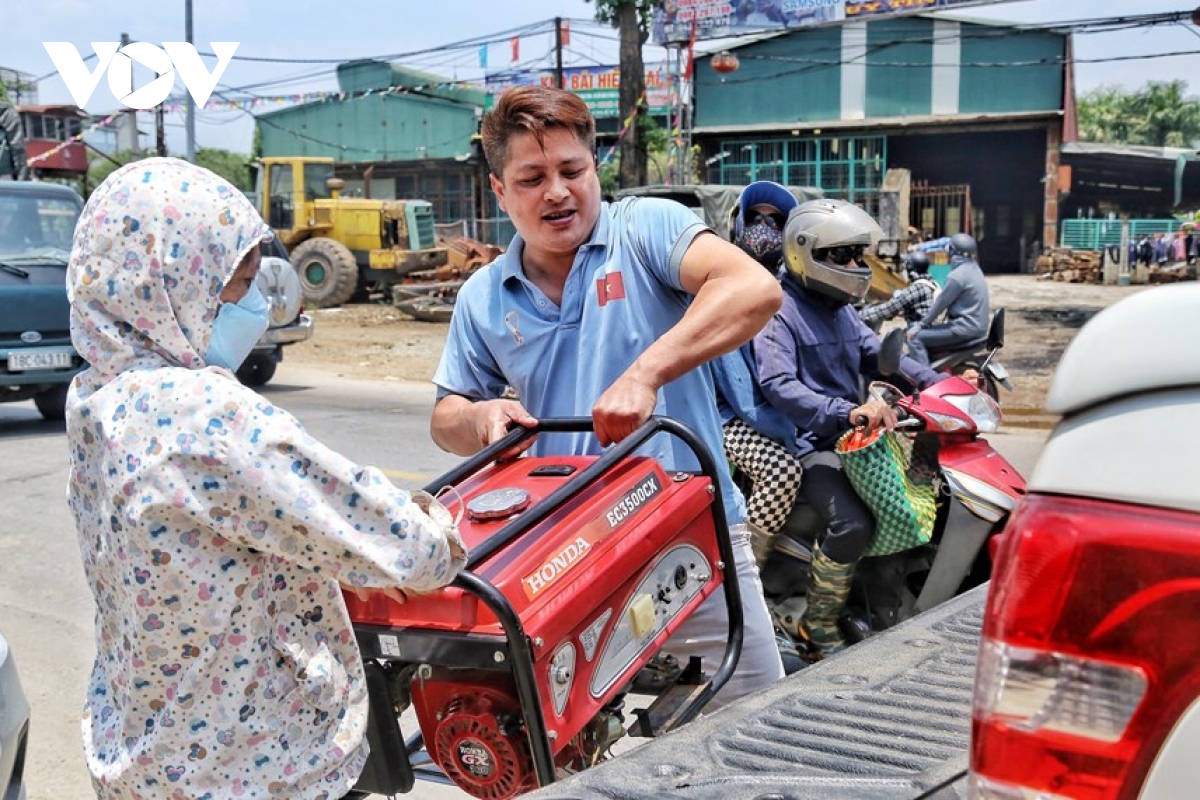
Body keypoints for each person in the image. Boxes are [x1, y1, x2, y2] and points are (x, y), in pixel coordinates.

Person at [65, 158, 466, 799]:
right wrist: (441, 529)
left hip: (140, 753)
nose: (255, 304)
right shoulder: (201, 415)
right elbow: (402, 547)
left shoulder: (96, 398)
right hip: (251, 768)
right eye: (239, 283)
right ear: (173, 284)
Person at [430, 85, 786, 706]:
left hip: (689, 529)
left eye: (572, 170)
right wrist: (483, 416)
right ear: (499, 190)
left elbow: (752, 288)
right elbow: (446, 417)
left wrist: (645, 373)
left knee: (757, 717)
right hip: (563, 547)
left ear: (595, 169)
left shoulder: (647, 229)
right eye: (532, 177)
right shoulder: (482, 297)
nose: (558, 192)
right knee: (560, 739)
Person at [754, 198, 941, 658]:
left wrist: (947, 385)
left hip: (857, 440)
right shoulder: (778, 310)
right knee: (852, 522)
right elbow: (778, 384)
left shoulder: (840, 309)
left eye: (859, 255)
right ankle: (818, 626)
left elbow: (880, 355)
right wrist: (844, 411)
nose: (857, 266)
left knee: (913, 501)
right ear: (806, 252)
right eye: (845, 256)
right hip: (811, 442)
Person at [713, 180, 804, 567]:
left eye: (775, 220)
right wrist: (791, 431)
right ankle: (747, 569)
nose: (764, 227)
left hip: (772, 408)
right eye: (756, 217)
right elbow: (741, 393)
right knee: (782, 471)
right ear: (739, 223)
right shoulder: (723, 281)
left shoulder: (790, 284)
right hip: (726, 414)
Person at [905, 232, 990, 366]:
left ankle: (925, 380)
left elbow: (940, 304)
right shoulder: (976, 270)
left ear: (952, 252)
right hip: (977, 329)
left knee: (914, 338)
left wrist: (919, 325)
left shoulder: (957, 276)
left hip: (962, 329)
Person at [858, 250, 940, 331]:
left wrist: (860, 315)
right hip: (933, 327)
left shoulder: (916, 289)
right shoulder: (933, 284)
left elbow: (888, 309)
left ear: (910, 270)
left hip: (919, 330)